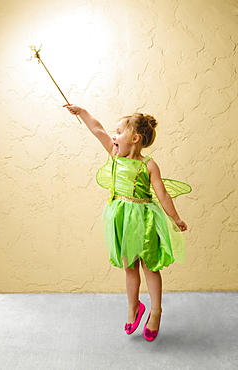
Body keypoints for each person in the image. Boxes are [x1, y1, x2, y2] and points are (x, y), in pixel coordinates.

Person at [65, 104, 189, 341]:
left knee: (150, 266)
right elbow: (98, 130)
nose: (114, 136)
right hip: (121, 218)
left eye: (119, 132)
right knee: (129, 266)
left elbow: (162, 194)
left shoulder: (148, 165)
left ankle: (155, 311)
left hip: (145, 220)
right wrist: (82, 112)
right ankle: (133, 308)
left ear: (134, 138)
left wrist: (175, 218)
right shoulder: (114, 154)